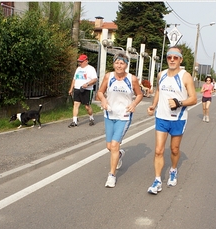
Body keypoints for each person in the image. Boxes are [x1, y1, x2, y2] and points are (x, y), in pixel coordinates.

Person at [146, 46, 197, 195]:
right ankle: (157, 180)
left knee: (174, 149)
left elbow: (193, 98)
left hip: (178, 118)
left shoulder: (185, 76)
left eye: (175, 57)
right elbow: (158, 91)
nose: (172, 60)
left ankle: (173, 169)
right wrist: (153, 106)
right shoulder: (161, 74)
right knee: (158, 150)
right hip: (161, 117)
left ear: (180, 59)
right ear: (167, 58)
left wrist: (179, 103)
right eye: (170, 57)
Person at [97, 53, 143, 188]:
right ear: (113, 64)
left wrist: (134, 104)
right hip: (109, 114)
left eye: (122, 63)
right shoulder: (108, 76)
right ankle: (120, 155)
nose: (119, 65)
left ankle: (111, 175)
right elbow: (100, 92)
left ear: (126, 65)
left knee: (115, 145)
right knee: (109, 147)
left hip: (124, 116)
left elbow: (139, 94)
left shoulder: (132, 79)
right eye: (117, 63)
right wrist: (104, 100)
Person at [68, 54, 98, 127]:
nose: (80, 63)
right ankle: (74, 121)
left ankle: (91, 118)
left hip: (87, 90)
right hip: (77, 89)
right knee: (76, 105)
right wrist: (71, 89)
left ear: (86, 61)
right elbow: (74, 79)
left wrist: (87, 84)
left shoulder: (91, 69)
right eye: (79, 62)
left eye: (81, 62)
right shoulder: (78, 69)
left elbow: (95, 79)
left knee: (87, 107)